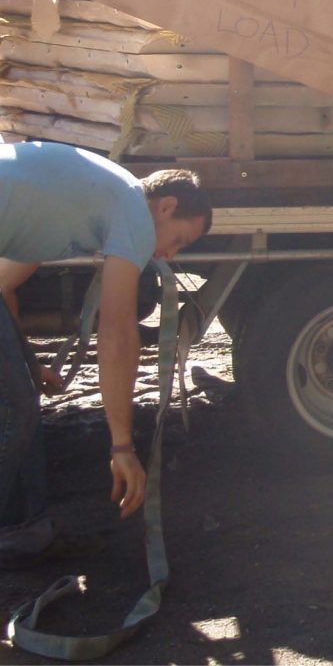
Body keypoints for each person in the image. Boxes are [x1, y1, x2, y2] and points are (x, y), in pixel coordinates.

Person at [0, 141, 212, 567]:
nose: (169, 255)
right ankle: (18, 534)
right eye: (178, 240)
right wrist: (121, 445)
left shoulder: (81, 198)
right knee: (14, 410)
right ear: (166, 207)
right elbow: (116, 333)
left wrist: (27, 362)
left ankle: (25, 533)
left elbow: (3, 285)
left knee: (18, 402)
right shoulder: (133, 210)